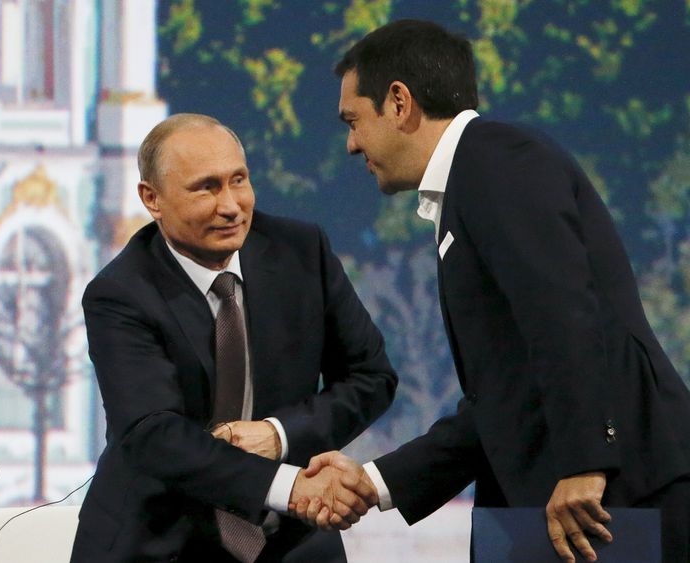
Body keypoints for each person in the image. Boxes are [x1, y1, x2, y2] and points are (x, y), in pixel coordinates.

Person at [296, 19, 690, 563]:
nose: (350, 143)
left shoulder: (495, 161)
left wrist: (584, 461)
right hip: (568, 506)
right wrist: (374, 480)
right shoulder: (475, 177)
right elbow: (505, 397)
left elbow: (566, 312)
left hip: (612, 499)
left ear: (400, 102)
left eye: (354, 121)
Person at [70, 113, 396, 562]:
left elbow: (370, 376)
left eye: (238, 180)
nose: (231, 205)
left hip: (292, 543)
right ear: (152, 199)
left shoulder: (302, 252)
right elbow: (153, 433)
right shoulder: (121, 293)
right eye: (206, 187)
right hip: (161, 542)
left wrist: (278, 435)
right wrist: (288, 484)